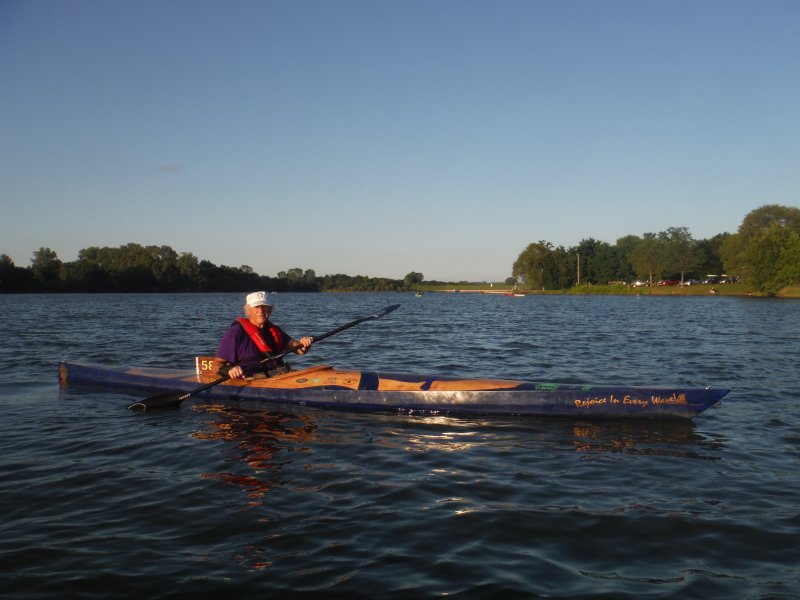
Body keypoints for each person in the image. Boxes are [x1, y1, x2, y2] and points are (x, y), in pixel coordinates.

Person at [214, 291, 313, 379]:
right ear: (248, 310)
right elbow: (217, 364)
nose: (261, 311)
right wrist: (230, 370)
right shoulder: (235, 332)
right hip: (251, 379)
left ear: (270, 310)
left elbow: (299, 350)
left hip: (278, 376)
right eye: (256, 307)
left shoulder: (274, 330)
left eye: (264, 307)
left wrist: (304, 344)